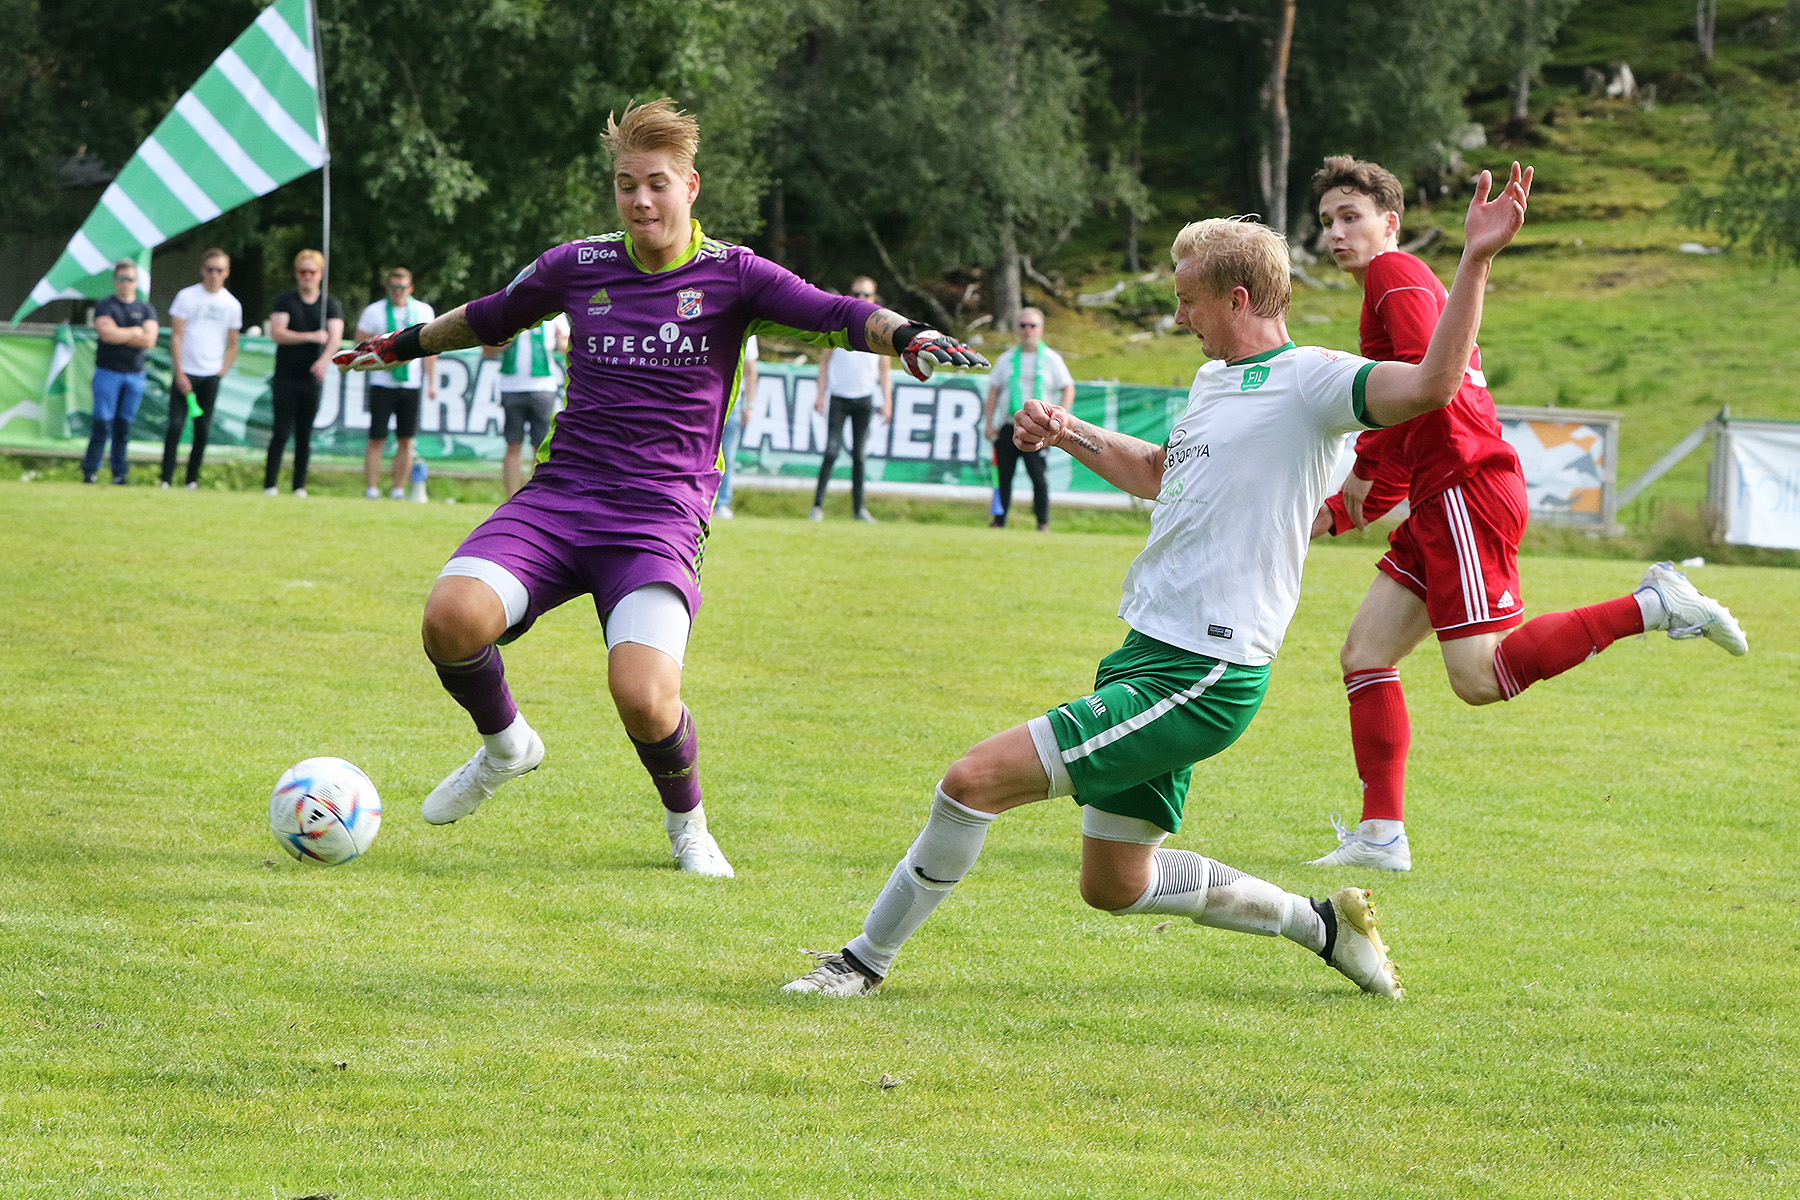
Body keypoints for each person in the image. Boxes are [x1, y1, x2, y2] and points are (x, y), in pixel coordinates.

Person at [782, 166, 1538, 1002]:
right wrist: (1066, 429)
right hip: (1149, 652)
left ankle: (861, 963)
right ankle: (1323, 926)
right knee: (1115, 883)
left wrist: (1475, 260)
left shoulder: (1317, 380)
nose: (1178, 316)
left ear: (1240, 298)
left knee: (972, 782)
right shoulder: (1217, 380)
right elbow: (1156, 473)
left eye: (1188, 300)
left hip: (1205, 671)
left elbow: (1432, 385)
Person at [334, 99, 985, 877]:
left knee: (643, 696)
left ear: (691, 187)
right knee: (450, 620)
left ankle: (688, 828)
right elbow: (493, 315)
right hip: (560, 498)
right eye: (625, 184)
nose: (640, 200)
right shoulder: (577, 266)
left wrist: (905, 332)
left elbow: (836, 313)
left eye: (657, 184)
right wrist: (399, 345)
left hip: (660, 519)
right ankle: (506, 746)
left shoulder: (734, 275)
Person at [1304, 155, 1747, 873]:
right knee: (1364, 655)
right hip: (1439, 494)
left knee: (1480, 678)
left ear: (1392, 223)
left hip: (1465, 487)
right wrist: (1333, 514)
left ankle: (1654, 604)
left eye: (1350, 217)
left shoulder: (1393, 275)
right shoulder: (1392, 287)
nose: (1335, 232)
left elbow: (1427, 387)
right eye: (1327, 221)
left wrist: (1360, 465)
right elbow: (1405, 429)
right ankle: (1381, 836)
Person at [982, 306, 1075, 530]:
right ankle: (998, 520)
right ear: (1016, 329)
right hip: (1008, 425)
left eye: (1032, 325)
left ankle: (1042, 522)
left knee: (1039, 477)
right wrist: (989, 423)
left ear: (1041, 329)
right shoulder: (1006, 359)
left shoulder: (1052, 359)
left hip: (1038, 428)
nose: (1027, 330)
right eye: (1023, 325)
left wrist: (1059, 416)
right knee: (1002, 477)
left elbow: (1068, 388)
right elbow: (994, 391)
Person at [809, 278, 893, 523]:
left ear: (874, 298)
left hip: (864, 397)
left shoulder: (881, 330)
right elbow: (824, 361)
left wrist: (887, 401)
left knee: (859, 455)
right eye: (857, 293)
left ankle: (859, 509)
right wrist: (820, 393)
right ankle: (817, 506)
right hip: (839, 397)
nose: (862, 298)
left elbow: (884, 370)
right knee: (831, 451)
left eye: (867, 295)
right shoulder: (839, 325)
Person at [263, 250, 344, 497]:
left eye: (312, 272)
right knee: (280, 431)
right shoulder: (286, 301)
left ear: (320, 274)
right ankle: (270, 484)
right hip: (286, 375)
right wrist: (310, 336)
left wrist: (323, 361)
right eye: (302, 272)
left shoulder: (330, 304)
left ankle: (299, 485)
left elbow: (335, 337)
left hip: (311, 377)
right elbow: (278, 333)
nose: (307, 276)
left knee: (304, 434)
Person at [160, 249, 242, 490]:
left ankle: (191, 480)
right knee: (175, 425)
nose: (213, 275)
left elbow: (233, 343)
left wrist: (221, 370)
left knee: (202, 429)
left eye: (219, 270)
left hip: (210, 374)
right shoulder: (186, 297)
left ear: (226, 273)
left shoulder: (231, 304)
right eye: (209, 269)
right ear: (202, 270)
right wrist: (180, 372)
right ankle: (166, 478)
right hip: (186, 372)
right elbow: (176, 336)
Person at [353, 268, 438, 499]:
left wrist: (431, 382)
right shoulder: (374, 312)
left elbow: (431, 350)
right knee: (376, 437)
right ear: (387, 289)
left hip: (410, 383)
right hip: (382, 381)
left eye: (402, 288)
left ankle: (398, 488)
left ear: (410, 289)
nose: (397, 292)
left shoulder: (423, 310)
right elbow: (359, 344)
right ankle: (371, 488)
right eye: (393, 288)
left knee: (406, 439)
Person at [83, 259, 158, 485]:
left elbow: (150, 339)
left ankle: (119, 473)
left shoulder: (146, 308)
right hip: (108, 372)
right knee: (102, 424)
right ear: (115, 281)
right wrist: (135, 331)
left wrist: (122, 334)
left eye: (130, 279)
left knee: (123, 426)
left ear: (136, 282)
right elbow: (107, 335)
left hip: (134, 374)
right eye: (121, 279)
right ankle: (90, 471)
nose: (125, 283)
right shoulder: (106, 305)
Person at [486, 312, 570, 497]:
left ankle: (535, 496)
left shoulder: (555, 314)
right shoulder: (512, 310)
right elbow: (488, 348)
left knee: (540, 447)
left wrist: (558, 342)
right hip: (512, 387)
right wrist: (506, 340)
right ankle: (512, 498)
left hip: (543, 387)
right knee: (513, 444)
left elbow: (566, 346)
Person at [713, 332, 757, 518]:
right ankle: (700, 501)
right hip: (707, 401)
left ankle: (722, 503)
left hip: (734, 402)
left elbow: (750, 369)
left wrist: (749, 405)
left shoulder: (747, 330)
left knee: (728, 456)